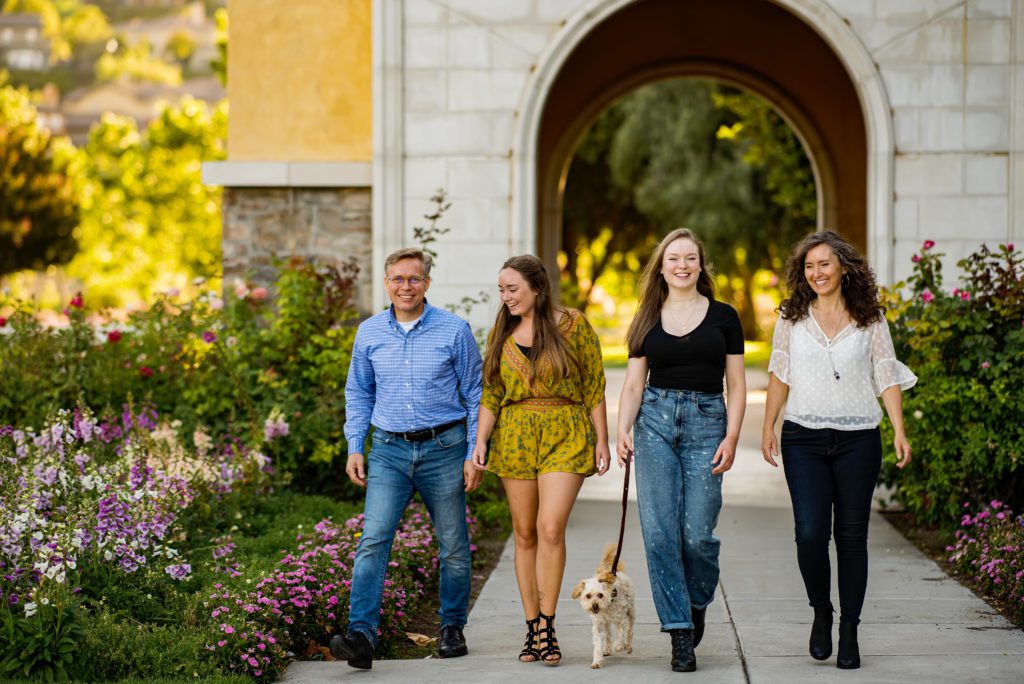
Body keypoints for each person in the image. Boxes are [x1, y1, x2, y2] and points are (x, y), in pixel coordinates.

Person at [760, 230, 916, 670]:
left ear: (843, 267)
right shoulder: (792, 318)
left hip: (858, 438)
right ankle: (821, 611)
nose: (817, 273)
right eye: (809, 266)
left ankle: (849, 628)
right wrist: (769, 425)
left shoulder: (870, 319)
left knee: (851, 538)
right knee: (810, 533)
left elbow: (885, 374)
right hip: (803, 436)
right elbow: (780, 374)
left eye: (825, 264)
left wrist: (899, 430)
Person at [331, 247, 483, 670]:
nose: (406, 286)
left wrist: (473, 454)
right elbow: (358, 392)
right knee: (373, 541)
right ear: (386, 283)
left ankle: (452, 628)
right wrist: (355, 446)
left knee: (453, 544)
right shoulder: (369, 332)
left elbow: (475, 395)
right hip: (389, 451)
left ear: (427, 283)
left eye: (414, 279)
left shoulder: (454, 330)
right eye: (397, 279)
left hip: (444, 449)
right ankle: (361, 636)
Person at [615, 228, 746, 673]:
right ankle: (679, 632)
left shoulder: (725, 317)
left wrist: (731, 436)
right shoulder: (647, 316)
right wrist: (622, 430)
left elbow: (738, 384)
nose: (682, 265)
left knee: (697, 534)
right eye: (674, 258)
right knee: (658, 533)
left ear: (701, 265)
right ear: (662, 266)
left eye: (690, 258)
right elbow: (634, 382)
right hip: (653, 420)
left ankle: (697, 599)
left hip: (708, 423)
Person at [471, 255, 610, 666]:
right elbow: (492, 392)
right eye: (501, 289)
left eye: (512, 289)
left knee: (550, 527)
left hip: (565, 430)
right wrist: (480, 440)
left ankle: (548, 623)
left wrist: (602, 439)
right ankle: (532, 626)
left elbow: (593, 382)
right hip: (514, 434)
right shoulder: (504, 329)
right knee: (524, 532)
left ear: (537, 287)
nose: (506, 297)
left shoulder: (572, 324)